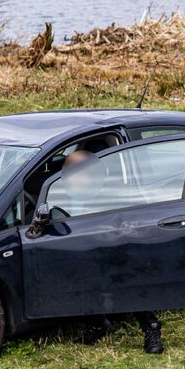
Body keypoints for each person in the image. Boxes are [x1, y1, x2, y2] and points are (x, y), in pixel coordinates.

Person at [62, 147, 164, 353]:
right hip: (82, 254)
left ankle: (151, 328)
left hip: (112, 252)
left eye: (81, 172)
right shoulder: (62, 195)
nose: (76, 177)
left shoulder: (110, 195)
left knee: (126, 279)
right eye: (71, 171)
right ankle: (98, 323)